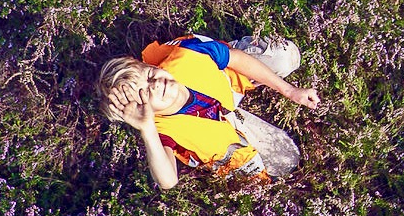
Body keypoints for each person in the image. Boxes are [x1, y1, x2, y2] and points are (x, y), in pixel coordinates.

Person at [96, 35, 322, 189]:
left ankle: (239, 53)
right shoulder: (162, 129)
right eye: (144, 94)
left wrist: (290, 91)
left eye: (148, 75)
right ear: (144, 110)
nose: (155, 84)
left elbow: (235, 58)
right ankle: (235, 120)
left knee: (286, 56)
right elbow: (168, 181)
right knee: (287, 162)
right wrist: (146, 129)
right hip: (223, 121)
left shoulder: (188, 55)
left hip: (225, 84)